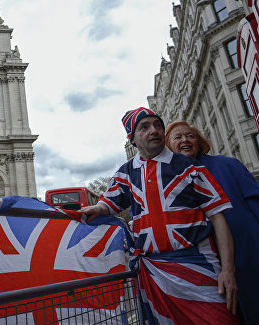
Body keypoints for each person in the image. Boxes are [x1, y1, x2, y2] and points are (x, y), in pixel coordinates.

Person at [80, 107, 237, 324]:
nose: (154, 130)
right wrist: (96, 209)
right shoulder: (126, 173)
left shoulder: (189, 167)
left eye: (158, 125)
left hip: (198, 267)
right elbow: (107, 203)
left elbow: (218, 216)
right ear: (132, 139)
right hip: (154, 273)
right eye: (144, 127)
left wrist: (228, 270)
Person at [166, 120, 259, 324]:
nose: (185, 140)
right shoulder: (170, 182)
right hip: (209, 277)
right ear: (168, 147)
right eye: (178, 137)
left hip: (255, 265)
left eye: (190, 136)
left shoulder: (227, 165)